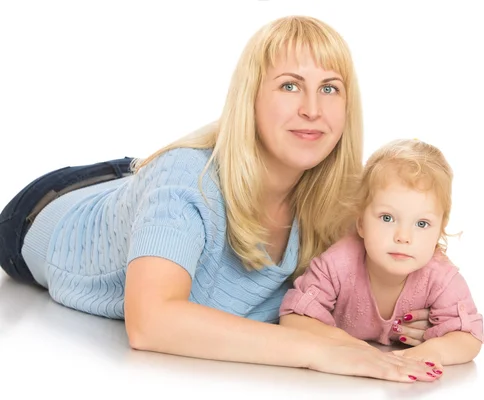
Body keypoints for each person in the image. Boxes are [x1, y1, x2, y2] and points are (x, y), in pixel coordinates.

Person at [0, 16, 442, 383]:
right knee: (170, 179)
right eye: (290, 86)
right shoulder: (185, 184)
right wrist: (321, 353)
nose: (312, 108)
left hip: (145, 183)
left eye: (329, 88)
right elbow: (151, 323)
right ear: (250, 97)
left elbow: (403, 264)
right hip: (47, 209)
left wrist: (407, 315)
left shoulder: (341, 196)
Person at [279, 138, 484, 367]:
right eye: (387, 218)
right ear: (360, 222)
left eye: (422, 223)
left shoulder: (441, 278)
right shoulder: (337, 263)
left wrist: (433, 351)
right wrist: (351, 347)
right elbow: (294, 319)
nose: (403, 236)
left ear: (440, 228)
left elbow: (469, 337)